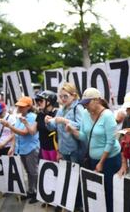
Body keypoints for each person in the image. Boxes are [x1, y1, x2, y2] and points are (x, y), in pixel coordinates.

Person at [67, 88, 121, 212]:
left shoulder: (107, 115)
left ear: (97, 100)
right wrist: (73, 131)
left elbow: (110, 142)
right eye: (84, 103)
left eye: (88, 102)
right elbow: (84, 136)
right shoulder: (86, 113)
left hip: (110, 160)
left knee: (109, 190)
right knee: (98, 189)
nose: (85, 106)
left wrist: (101, 162)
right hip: (93, 159)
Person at [45, 82, 84, 211]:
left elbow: (82, 126)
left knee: (77, 176)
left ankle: (78, 203)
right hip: (64, 148)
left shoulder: (77, 108)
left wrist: (64, 121)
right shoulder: (62, 109)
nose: (62, 99)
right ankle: (70, 201)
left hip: (76, 149)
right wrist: (48, 121)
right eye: (60, 96)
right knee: (69, 176)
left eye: (65, 96)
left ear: (73, 95)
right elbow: (53, 125)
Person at [1, 96, 39, 204]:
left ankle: (36, 192)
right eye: (18, 106)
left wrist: (9, 125)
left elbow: (24, 132)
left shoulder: (32, 117)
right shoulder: (19, 117)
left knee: (33, 172)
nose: (19, 108)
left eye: (22, 106)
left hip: (31, 148)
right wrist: (13, 147)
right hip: (21, 149)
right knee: (28, 171)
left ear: (28, 107)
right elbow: (15, 134)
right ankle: (31, 191)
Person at [34, 90, 58, 161]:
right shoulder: (40, 114)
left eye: (41, 101)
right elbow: (33, 131)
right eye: (38, 101)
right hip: (43, 148)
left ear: (49, 102)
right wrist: (25, 123)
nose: (38, 103)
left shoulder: (56, 114)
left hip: (54, 149)